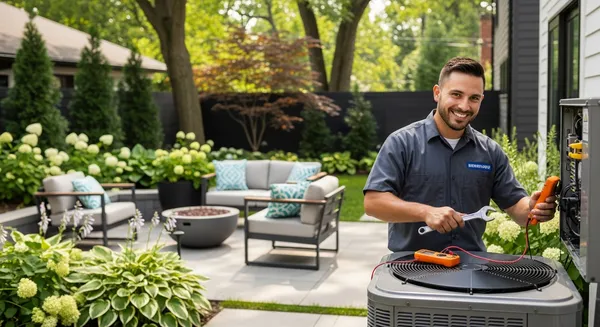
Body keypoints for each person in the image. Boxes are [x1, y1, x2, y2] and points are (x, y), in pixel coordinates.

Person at [363, 57, 557, 253]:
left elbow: (519, 210)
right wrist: (426, 212)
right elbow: (373, 203)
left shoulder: (490, 152)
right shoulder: (402, 143)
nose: (464, 106)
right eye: (456, 94)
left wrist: (533, 208)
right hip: (410, 266)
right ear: (437, 93)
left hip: (470, 267)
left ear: (481, 99)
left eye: (473, 98)